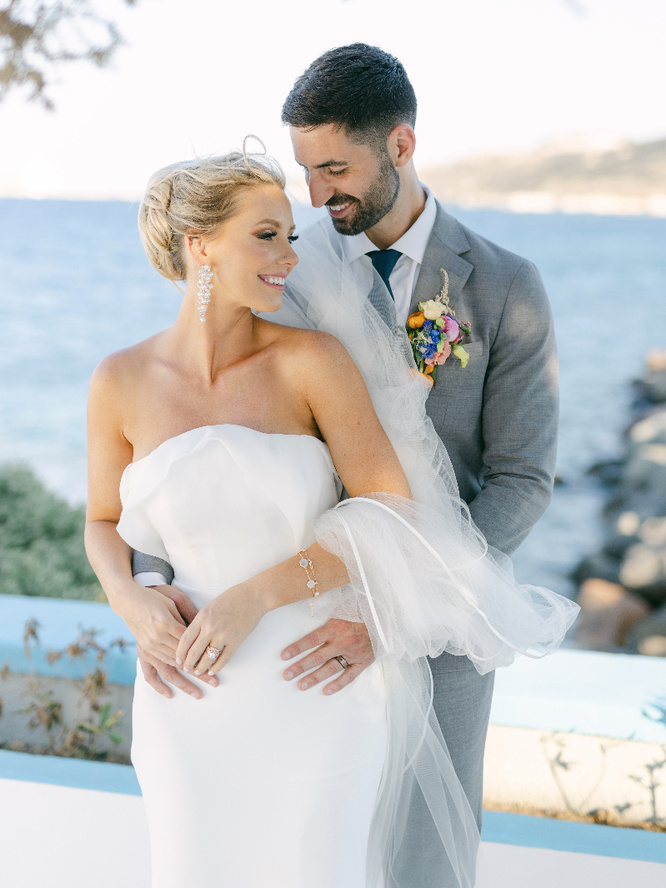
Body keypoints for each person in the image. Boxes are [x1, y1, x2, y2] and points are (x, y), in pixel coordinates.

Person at [91, 144, 577, 887]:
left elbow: (392, 510)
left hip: (314, 678)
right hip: (184, 691)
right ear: (199, 244)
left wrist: (255, 597)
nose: (293, 252)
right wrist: (130, 601)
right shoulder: (119, 378)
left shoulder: (312, 360)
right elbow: (101, 520)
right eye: (267, 235)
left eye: (289, 233)